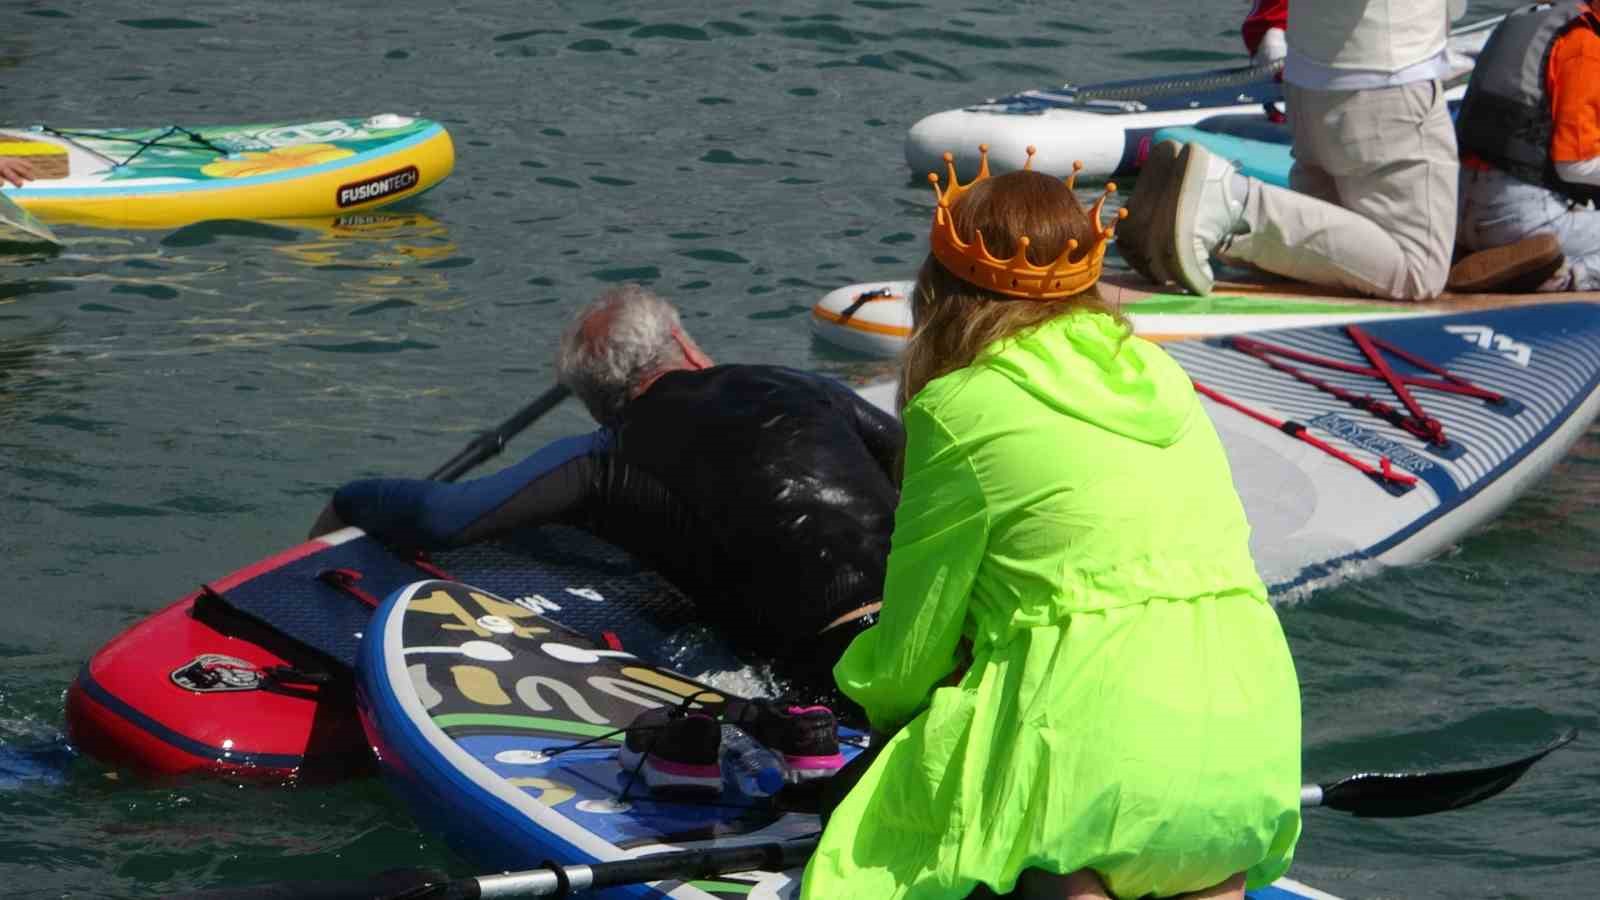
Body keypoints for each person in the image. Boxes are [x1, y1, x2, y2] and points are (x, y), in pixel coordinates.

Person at [800, 147, 1301, 900]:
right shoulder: (1162, 374)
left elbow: (915, 641)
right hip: (1252, 733)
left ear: (942, 291)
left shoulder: (957, 408)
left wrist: (877, 708)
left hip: (1093, 751)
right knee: (1198, 865)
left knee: (1030, 846)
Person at [310, 284, 902, 698]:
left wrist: (350, 499)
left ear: (598, 404)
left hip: (836, 672)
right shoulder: (802, 384)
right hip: (944, 621)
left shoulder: (601, 456)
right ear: (685, 344)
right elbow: (914, 456)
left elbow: (445, 517)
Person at [1121, 0, 1461, 301]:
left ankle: (1181, 217)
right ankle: (1231, 202)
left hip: (1310, 80)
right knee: (1420, 270)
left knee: (1329, 260)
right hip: (1389, 83)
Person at [1451, 0, 1600, 293]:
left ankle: (1481, 253)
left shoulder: (1524, 18)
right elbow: (1574, 165)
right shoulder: (1586, 43)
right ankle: (1560, 276)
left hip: (1456, 209)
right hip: (1519, 219)